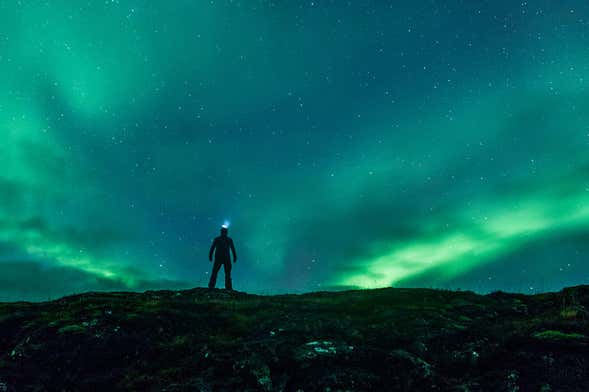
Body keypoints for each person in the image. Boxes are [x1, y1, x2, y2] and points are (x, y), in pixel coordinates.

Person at [208, 225, 237, 290]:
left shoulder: (228, 240)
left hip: (224, 258)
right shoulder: (218, 239)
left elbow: (232, 248)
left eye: (225, 231)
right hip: (220, 258)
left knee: (225, 273)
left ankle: (227, 287)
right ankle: (212, 286)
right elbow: (212, 248)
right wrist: (210, 255)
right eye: (223, 231)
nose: (224, 232)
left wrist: (235, 256)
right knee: (216, 272)